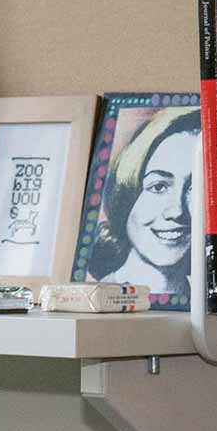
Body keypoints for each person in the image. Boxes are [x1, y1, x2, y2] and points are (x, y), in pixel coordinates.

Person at [81, 105, 201, 299]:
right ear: (125, 196)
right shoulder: (97, 299)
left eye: (196, 189)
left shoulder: (209, 302)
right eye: (159, 186)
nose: (177, 211)